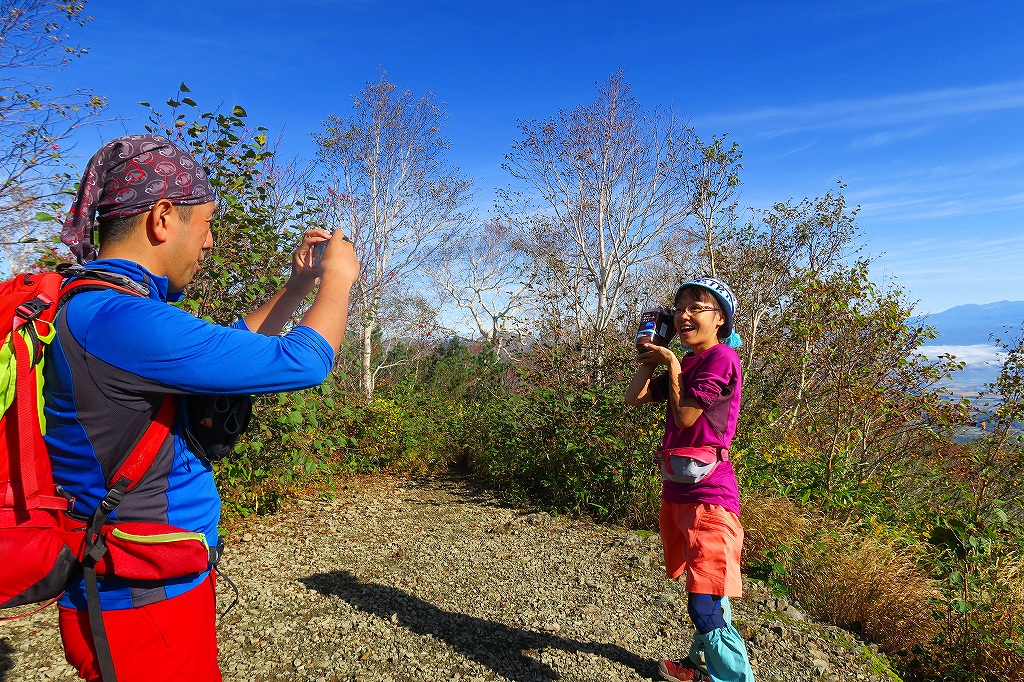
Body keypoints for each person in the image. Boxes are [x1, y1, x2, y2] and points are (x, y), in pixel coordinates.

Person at [45, 134, 360, 681]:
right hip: (137, 597)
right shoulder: (118, 319)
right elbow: (304, 361)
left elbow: (228, 347)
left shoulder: (109, 307)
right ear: (163, 217)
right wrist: (338, 280)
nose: (210, 241)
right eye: (208, 222)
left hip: (152, 577)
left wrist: (297, 288)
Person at [625, 277, 755, 682]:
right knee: (707, 591)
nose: (684, 314)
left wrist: (673, 363)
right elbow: (635, 397)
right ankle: (702, 668)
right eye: (679, 307)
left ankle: (734, 678)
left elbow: (685, 417)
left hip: (710, 497)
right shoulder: (691, 362)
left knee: (702, 602)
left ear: (720, 320)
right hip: (679, 491)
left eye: (697, 306)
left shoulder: (720, 359)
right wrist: (650, 356)